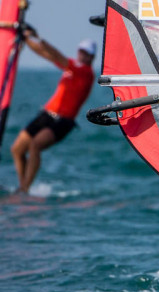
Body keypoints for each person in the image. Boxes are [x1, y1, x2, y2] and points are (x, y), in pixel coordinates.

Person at [10, 28, 95, 193]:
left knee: (35, 145)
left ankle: (25, 188)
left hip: (63, 121)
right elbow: (45, 55)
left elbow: (55, 54)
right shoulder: (71, 68)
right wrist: (26, 39)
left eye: (87, 53)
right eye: (81, 51)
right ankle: (22, 187)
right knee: (17, 149)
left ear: (92, 57)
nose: (83, 55)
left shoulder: (85, 73)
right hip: (46, 115)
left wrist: (39, 37)